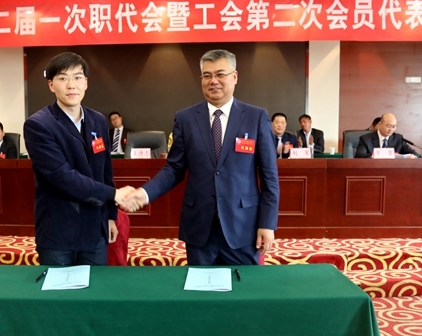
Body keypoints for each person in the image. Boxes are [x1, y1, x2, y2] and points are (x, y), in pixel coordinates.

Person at [121, 49, 279, 265]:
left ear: (234, 77)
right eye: (207, 75)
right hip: (199, 228)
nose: (213, 81)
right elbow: (174, 169)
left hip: (243, 227)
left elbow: (270, 176)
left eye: (220, 74)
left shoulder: (256, 117)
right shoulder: (185, 118)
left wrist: (267, 223)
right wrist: (144, 194)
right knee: (200, 285)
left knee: (244, 286)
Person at [23, 52, 133, 266]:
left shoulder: (98, 120)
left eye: (77, 77)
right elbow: (62, 176)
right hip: (59, 230)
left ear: (86, 83)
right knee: (59, 287)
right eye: (63, 78)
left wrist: (110, 215)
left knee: (95, 286)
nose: (71, 85)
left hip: (95, 227)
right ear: (51, 85)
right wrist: (114, 194)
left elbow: (105, 171)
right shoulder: (39, 125)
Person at [355, 112, 419, 158]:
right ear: (380, 124)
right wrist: (378, 156)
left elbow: (417, 155)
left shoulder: (398, 139)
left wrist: (413, 157)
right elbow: (359, 156)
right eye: (388, 126)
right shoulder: (366, 139)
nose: (391, 129)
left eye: (394, 126)